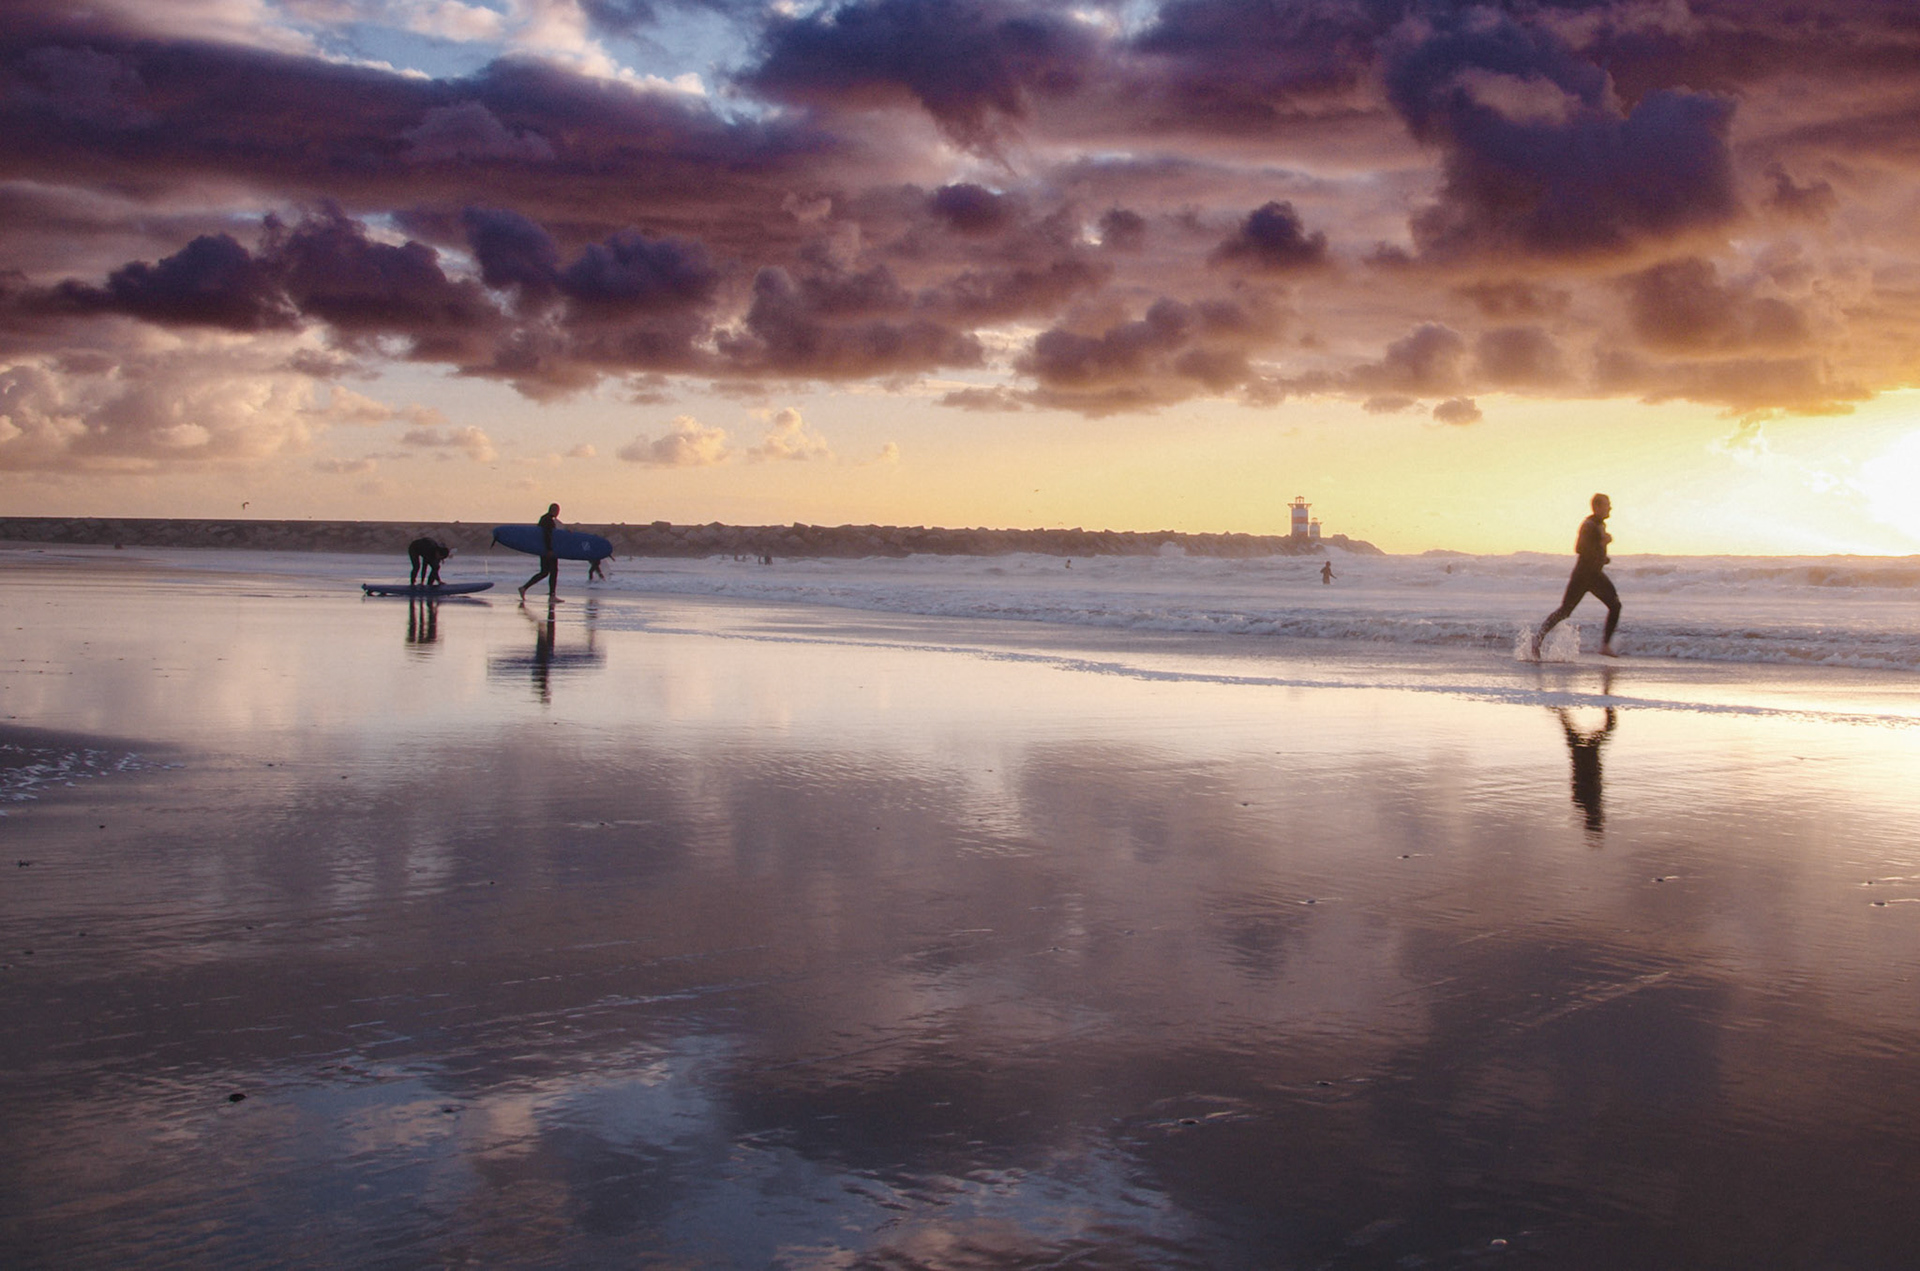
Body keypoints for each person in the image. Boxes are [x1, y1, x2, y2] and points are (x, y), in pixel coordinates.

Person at [1532, 493, 1620, 658]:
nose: (1610, 508)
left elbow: (1593, 551)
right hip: (1585, 575)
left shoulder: (1598, 524)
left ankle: (1605, 645)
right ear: (1597, 507)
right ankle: (1537, 639)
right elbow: (1580, 549)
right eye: (1607, 504)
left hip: (1593, 574)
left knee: (1614, 605)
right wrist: (1602, 543)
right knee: (1566, 611)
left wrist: (1603, 557)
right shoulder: (1589, 525)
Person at [519, 502, 562, 602]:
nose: (558, 513)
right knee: (553, 572)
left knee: (544, 572)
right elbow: (547, 535)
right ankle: (552, 596)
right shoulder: (548, 521)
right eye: (557, 511)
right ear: (554, 510)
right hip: (548, 550)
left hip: (543, 550)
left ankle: (524, 588)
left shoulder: (544, 519)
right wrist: (549, 549)